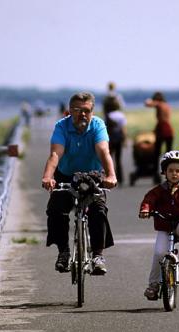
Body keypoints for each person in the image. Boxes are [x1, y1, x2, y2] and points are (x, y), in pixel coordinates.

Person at [41, 91, 118, 275]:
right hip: (66, 174)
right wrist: (48, 176)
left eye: (86, 110)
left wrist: (111, 175)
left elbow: (103, 152)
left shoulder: (98, 125)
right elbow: (55, 154)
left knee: (98, 210)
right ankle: (63, 252)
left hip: (93, 175)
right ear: (69, 111)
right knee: (56, 210)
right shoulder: (61, 126)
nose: (82, 114)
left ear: (92, 111)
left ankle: (98, 255)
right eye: (77, 110)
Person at [138, 150, 179, 300]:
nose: (174, 174)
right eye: (170, 171)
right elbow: (149, 200)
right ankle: (153, 285)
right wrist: (145, 209)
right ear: (164, 172)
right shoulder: (159, 191)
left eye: (178, 171)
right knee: (158, 253)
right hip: (164, 226)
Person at [145, 91, 174, 184]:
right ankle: (171, 175)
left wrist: (149, 100)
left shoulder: (159, 104)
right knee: (169, 154)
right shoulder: (167, 105)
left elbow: (147, 103)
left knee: (156, 154)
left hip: (162, 130)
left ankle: (156, 175)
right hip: (169, 129)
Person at [102, 82, 127, 185]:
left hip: (110, 138)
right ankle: (120, 178)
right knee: (118, 159)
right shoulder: (118, 97)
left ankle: (109, 176)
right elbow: (123, 128)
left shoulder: (106, 98)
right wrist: (125, 139)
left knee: (108, 157)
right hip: (119, 138)